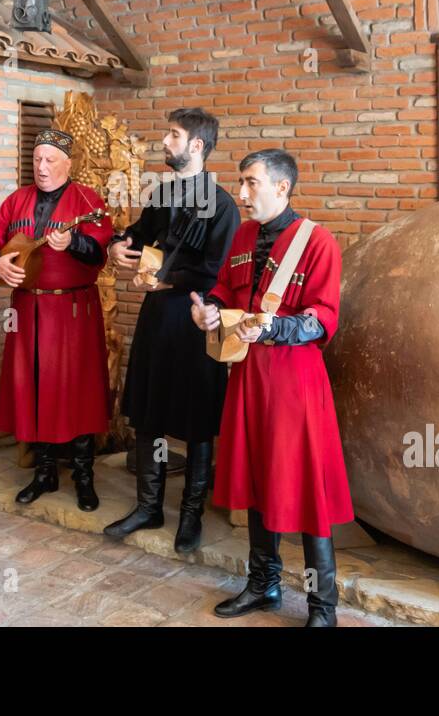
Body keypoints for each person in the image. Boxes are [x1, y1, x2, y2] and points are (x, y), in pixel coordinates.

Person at [191, 148, 353, 627]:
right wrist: (208, 311)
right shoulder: (243, 236)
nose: (241, 194)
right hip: (246, 378)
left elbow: (323, 319)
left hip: (294, 383)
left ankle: (323, 607)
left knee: (304, 490)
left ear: (282, 187)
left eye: (250, 183)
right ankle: (263, 586)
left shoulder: (319, 243)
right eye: (240, 183)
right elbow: (224, 290)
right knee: (258, 480)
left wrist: (273, 330)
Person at [103, 108, 238, 552]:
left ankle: (191, 516)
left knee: (198, 420)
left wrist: (170, 279)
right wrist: (119, 245)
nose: (165, 140)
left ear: (196, 145)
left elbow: (216, 271)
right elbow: (139, 234)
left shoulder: (222, 206)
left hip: (199, 319)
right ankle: (148, 507)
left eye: (174, 135)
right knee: (148, 412)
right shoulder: (161, 195)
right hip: (157, 317)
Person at [0, 128, 113, 511]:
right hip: (26, 310)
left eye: (50, 159)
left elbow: (99, 251)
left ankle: (84, 477)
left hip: (73, 311)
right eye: (37, 159)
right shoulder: (17, 199)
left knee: (77, 389)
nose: (42, 166)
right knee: (33, 386)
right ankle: (45, 473)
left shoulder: (88, 199)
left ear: (69, 164)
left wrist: (74, 243)